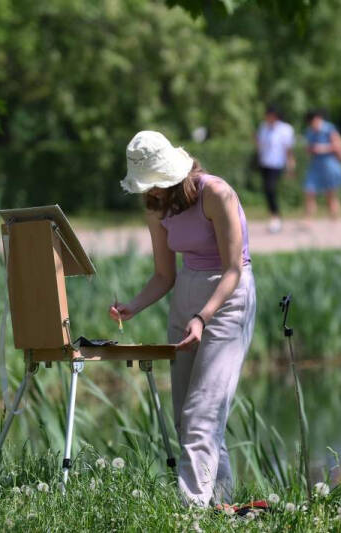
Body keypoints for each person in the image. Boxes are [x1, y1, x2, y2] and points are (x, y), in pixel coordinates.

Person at [109, 131, 256, 507]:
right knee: (186, 420)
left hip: (226, 300)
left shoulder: (216, 194)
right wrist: (133, 306)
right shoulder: (156, 207)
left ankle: (189, 514)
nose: (151, 193)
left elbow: (233, 269)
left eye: (155, 185)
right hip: (185, 294)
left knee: (202, 415)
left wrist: (202, 318)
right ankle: (221, 508)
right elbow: (164, 276)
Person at [303, 110, 341, 220]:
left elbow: (338, 145)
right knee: (309, 190)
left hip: (329, 164)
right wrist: (310, 149)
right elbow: (309, 148)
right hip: (315, 165)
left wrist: (321, 148)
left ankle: (334, 218)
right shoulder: (310, 131)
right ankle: (308, 219)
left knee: (330, 193)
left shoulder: (329, 129)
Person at [256, 106, 295, 233]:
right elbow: (261, 144)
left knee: (270, 188)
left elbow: (288, 149)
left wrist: (290, 165)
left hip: (277, 164)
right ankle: (273, 215)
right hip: (265, 163)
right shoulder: (263, 127)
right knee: (267, 191)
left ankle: (276, 217)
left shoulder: (285, 129)